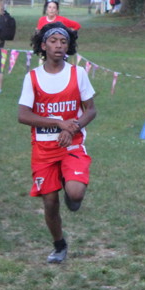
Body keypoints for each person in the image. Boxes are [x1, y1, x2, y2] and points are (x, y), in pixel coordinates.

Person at [17, 23, 97, 263]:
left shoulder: (78, 74)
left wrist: (73, 127)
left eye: (63, 42)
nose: (59, 46)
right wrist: (58, 123)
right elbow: (23, 115)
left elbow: (91, 110)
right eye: (53, 41)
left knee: (75, 193)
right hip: (43, 149)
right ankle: (59, 245)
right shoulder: (33, 77)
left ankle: (70, 189)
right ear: (43, 46)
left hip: (72, 144)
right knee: (50, 203)